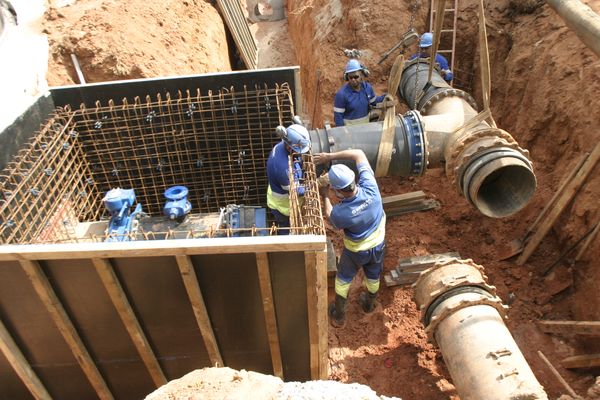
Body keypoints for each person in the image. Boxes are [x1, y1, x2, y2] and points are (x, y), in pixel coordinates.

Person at [313, 149, 386, 327]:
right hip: (378, 245)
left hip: (356, 252)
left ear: (337, 191)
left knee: (343, 279)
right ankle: (369, 305)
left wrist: (324, 196)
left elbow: (330, 216)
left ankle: (338, 315)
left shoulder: (342, 213)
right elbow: (359, 153)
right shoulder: (371, 187)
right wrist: (330, 157)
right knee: (373, 275)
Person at [266, 123, 311, 235]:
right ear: (288, 146)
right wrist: (317, 184)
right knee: (285, 227)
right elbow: (298, 191)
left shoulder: (283, 147)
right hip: (283, 206)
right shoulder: (282, 167)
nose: (300, 153)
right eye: (298, 150)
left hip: (278, 192)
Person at [333, 59, 387, 126]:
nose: (353, 80)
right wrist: (343, 134)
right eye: (350, 77)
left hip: (365, 127)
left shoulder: (367, 88)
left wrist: (385, 97)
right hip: (350, 131)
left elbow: (374, 101)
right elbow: (338, 118)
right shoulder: (341, 95)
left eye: (356, 77)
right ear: (347, 77)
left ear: (361, 75)